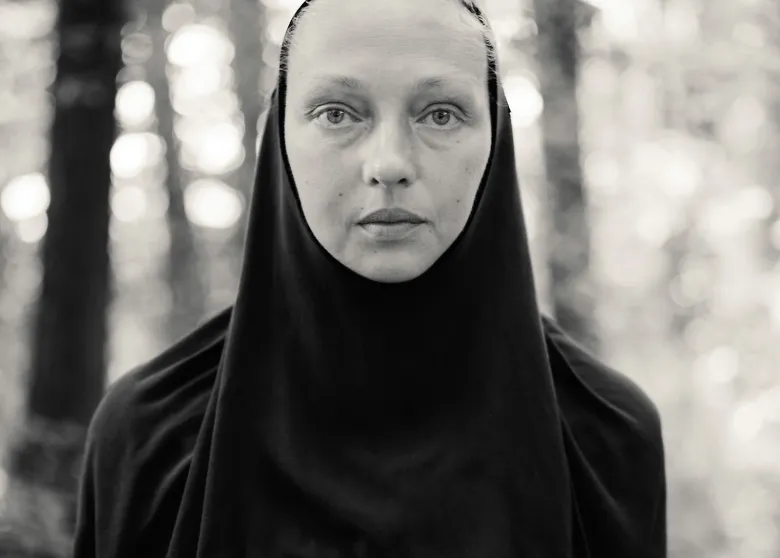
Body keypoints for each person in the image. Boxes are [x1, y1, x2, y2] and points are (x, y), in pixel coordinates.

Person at [72, 0, 667, 556]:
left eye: (440, 114)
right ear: (279, 136)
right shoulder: (149, 438)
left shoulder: (605, 440)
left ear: (496, 135)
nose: (389, 165)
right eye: (337, 113)